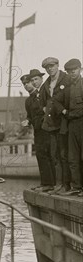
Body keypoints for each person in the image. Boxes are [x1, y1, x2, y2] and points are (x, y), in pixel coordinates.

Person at [39, 56, 71, 193]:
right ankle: (59, 184)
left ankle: (67, 185)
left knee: (65, 154)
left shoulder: (66, 79)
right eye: (47, 67)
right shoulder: (47, 83)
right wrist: (45, 110)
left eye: (52, 66)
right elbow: (43, 101)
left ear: (58, 65)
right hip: (53, 125)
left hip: (66, 122)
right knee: (56, 154)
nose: (50, 69)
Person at [22, 70, 54, 190]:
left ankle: (52, 184)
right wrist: (28, 121)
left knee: (49, 154)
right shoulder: (28, 101)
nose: (26, 85)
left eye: (28, 82)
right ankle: (45, 183)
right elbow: (30, 115)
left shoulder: (44, 93)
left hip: (47, 128)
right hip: (38, 130)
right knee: (40, 155)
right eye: (24, 84)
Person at [63, 58, 83, 196]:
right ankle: (77, 187)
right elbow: (57, 102)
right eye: (69, 71)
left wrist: (70, 113)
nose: (72, 73)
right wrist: (63, 111)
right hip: (72, 125)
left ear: (80, 69)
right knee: (73, 157)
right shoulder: (68, 87)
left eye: (74, 70)